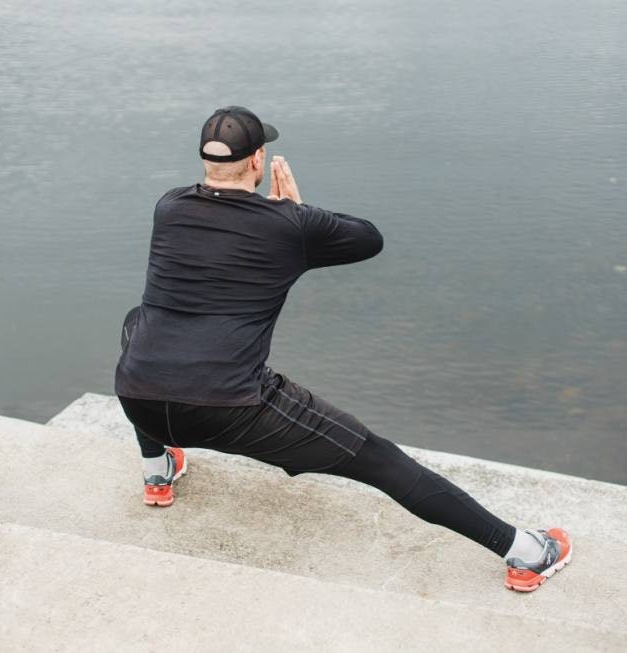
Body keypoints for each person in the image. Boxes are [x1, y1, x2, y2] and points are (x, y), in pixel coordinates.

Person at [114, 105, 572, 592]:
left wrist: (280, 218)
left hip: (138, 397)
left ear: (205, 161)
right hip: (230, 408)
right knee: (380, 460)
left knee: (137, 325)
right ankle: (528, 552)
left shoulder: (169, 208)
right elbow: (367, 239)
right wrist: (297, 212)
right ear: (258, 160)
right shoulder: (288, 227)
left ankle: (157, 471)